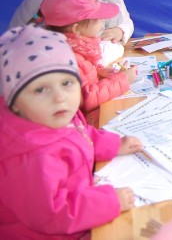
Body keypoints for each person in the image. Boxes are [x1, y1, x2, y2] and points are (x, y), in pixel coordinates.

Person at [0, 24, 142, 238]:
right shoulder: (31, 158)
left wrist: (114, 145)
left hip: (76, 212)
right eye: (40, 89)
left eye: (66, 82)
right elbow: (52, 214)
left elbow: (82, 133)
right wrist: (110, 202)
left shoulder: (54, 115)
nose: (59, 97)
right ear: (15, 103)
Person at [39, 0, 137, 126]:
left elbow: (82, 76)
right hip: (73, 129)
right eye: (97, 18)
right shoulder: (66, 59)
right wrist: (123, 80)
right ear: (77, 29)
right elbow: (86, 98)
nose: (102, 22)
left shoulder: (72, 48)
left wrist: (98, 72)